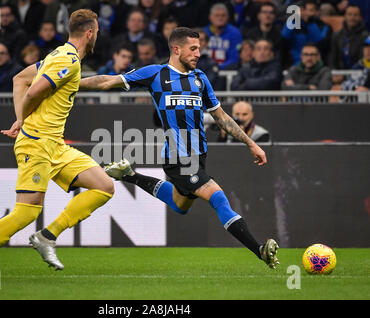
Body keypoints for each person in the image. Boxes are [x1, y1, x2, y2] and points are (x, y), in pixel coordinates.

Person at [78, 27, 280, 269]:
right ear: (176, 49)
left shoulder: (200, 78)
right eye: (193, 49)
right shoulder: (156, 74)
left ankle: (130, 175)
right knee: (218, 198)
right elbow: (107, 81)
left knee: (180, 205)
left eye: (199, 49)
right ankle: (259, 250)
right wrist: (69, 83)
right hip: (178, 158)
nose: (198, 53)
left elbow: (222, 117)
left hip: (199, 157)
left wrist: (251, 143)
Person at [0, 9, 115, 283]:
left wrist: (20, 118)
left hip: (54, 144)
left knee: (104, 186)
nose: (97, 35)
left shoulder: (58, 55)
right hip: (37, 143)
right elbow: (32, 90)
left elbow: (20, 78)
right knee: (27, 211)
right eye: (97, 31)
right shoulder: (68, 59)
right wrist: (22, 119)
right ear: (89, 32)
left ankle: (47, 236)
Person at [281, 0, 332, 65]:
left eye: (304, 10)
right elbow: (283, 40)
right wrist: (294, 19)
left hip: (315, 63)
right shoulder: (292, 23)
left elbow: (319, 44)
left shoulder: (319, 25)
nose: (302, 13)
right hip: (296, 64)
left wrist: (309, 22)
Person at [205, 101, 270, 143]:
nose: (240, 118)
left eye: (244, 114)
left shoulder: (262, 133)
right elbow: (219, 152)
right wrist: (223, 136)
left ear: (251, 115)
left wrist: (240, 135)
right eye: (237, 114)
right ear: (232, 114)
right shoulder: (228, 129)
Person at [203, 3, 242, 70]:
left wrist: (217, 67)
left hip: (227, 72)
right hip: (204, 70)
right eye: (217, 15)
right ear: (210, 17)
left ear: (228, 17)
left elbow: (234, 58)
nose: (220, 18)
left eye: (223, 15)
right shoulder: (203, 33)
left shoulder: (235, 33)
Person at [329, 4, 369, 70]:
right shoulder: (336, 35)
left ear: (360, 17)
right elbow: (332, 58)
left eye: (355, 15)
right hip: (338, 74)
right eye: (349, 14)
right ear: (345, 16)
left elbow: (366, 59)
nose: (352, 17)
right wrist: (334, 73)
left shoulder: (366, 37)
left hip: (359, 74)